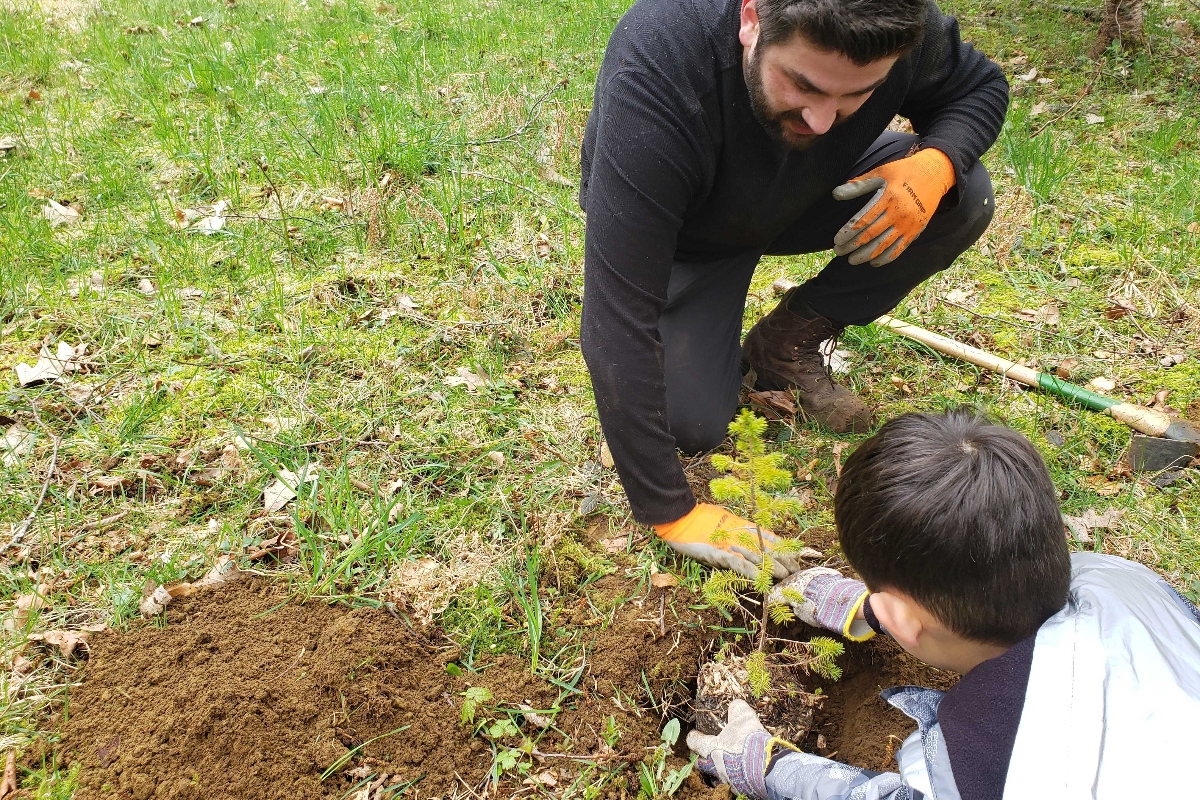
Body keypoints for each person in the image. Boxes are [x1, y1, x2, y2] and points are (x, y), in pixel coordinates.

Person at [578, 0, 1008, 576]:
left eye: (857, 94)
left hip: (813, 190)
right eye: (804, 85)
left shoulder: (901, 21)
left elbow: (979, 86)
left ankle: (786, 339)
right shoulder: (659, 66)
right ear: (751, 20)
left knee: (963, 195)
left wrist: (938, 161)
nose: (823, 120)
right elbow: (616, 323)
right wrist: (671, 513)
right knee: (691, 424)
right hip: (691, 232)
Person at [686, 409, 1200, 799]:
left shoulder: (978, 766)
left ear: (904, 620)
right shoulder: (1125, 581)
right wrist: (869, 609)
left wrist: (773, 770)